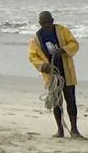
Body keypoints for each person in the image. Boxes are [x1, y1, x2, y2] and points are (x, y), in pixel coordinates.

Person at [28, 11, 84, 139]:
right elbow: (32, 56)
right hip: (52, 76)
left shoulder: (63, 31)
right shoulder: (36, 38)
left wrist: (63, 50)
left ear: (52, 21)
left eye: (48, 22)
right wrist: (44, 66)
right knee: (57, 103)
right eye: (43, 23)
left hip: (66, 72)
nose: (46, 25)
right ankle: (60, 130)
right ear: (40, 23)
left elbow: (74, 44)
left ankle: (74, 129)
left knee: (71, 100)